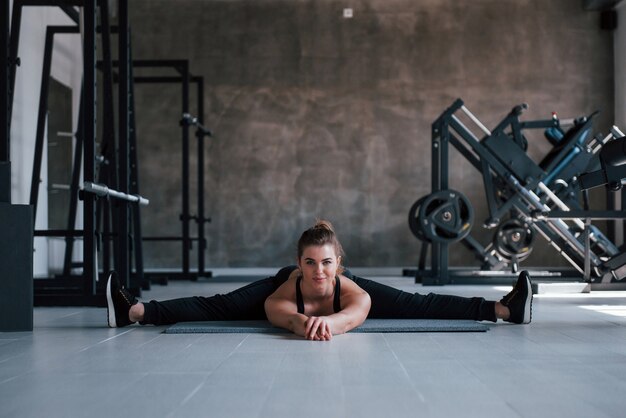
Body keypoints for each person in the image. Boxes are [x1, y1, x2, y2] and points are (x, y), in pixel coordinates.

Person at [106, 220, 532, 340]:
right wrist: (300, 324)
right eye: (310, 263)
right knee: (217, 305)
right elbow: (281, 315)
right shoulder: (284, 289)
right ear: (299, 264)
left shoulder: (352, 289)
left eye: (326, 262)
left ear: (339, 263)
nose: (319, 271)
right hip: (284, 296)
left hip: (341, 306)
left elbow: (357, 314)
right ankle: (133, 311)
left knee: (417, 303)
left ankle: (504, 309)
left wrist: (333, 324)